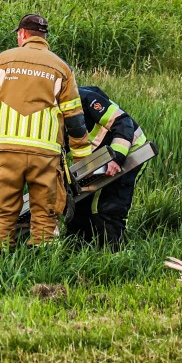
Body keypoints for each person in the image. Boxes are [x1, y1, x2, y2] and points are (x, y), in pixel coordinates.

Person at [0, 13, 90, 249]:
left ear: (23, 34)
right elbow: (75, 117)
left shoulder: (1, 61)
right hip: (45, 153)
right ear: (43, 36)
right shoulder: (61, 67)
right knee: (46, 211)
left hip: (7, 150)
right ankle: (43, 256)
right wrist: (81, 155)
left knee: (3, 209)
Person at [63, 85, 150, 250]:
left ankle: (113, 255)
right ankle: (77, 251)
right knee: (79, 203)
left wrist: (116, 158)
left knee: (108, 205)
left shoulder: (84, 99)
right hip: (97, 157)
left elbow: (123, 123)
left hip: (129, 149)